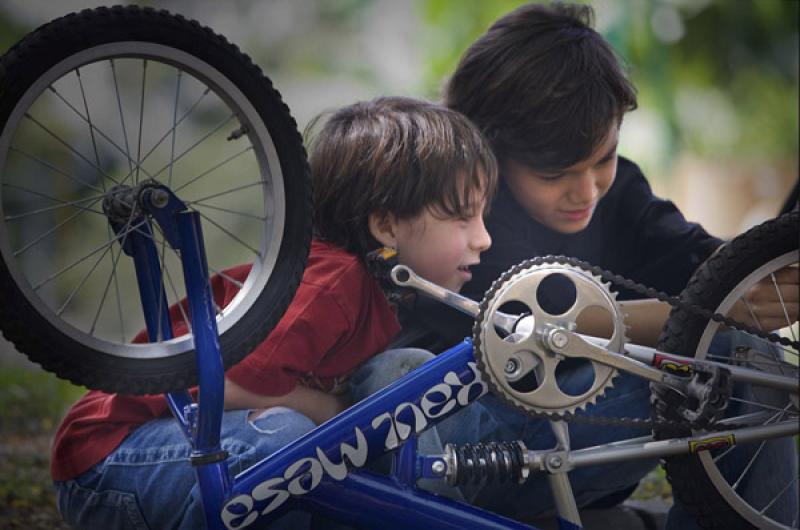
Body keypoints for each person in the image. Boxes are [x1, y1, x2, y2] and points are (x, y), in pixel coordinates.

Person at [366, 3, 796, 528]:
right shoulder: (457, 215)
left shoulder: (619, 195)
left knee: (746, 346)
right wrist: (717, 308)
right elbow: (526, 323)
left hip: (563, 439)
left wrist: (757, 274)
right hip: (455, 451)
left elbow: (706, 260)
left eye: (604, 158)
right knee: (729, 347)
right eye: (557, 174)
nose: (586, 190)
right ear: (492, 151)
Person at [50, 96, 498, 530]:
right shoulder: (333, 282)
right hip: (109, 459)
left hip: (187, 444)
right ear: (385, 226)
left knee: (410, 372)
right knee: (287, 443)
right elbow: (226, 385)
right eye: (462, 218)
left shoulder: (378, 290)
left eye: (483, 216)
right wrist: (331, 408)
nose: (484, 239)